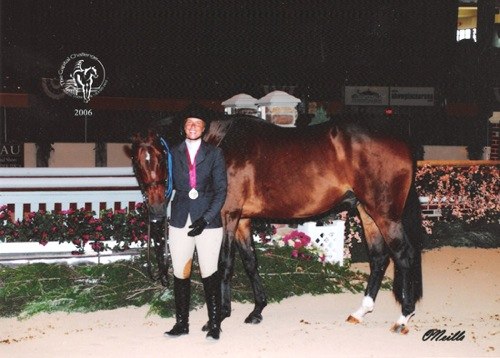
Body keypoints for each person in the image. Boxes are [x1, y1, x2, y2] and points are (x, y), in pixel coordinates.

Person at [164, 104, 227, 340]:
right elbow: (165, 183)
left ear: (204, 128)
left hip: (207, 222)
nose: (193, 127)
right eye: (189, 123)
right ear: (184, 127)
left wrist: (206, 218)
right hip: (180, 218)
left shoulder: (214, 154)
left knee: (209, 271)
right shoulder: (173, 152)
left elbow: (221, 190)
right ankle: (182, 323)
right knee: (181, 272)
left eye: (197, 124)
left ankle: (214, 324)